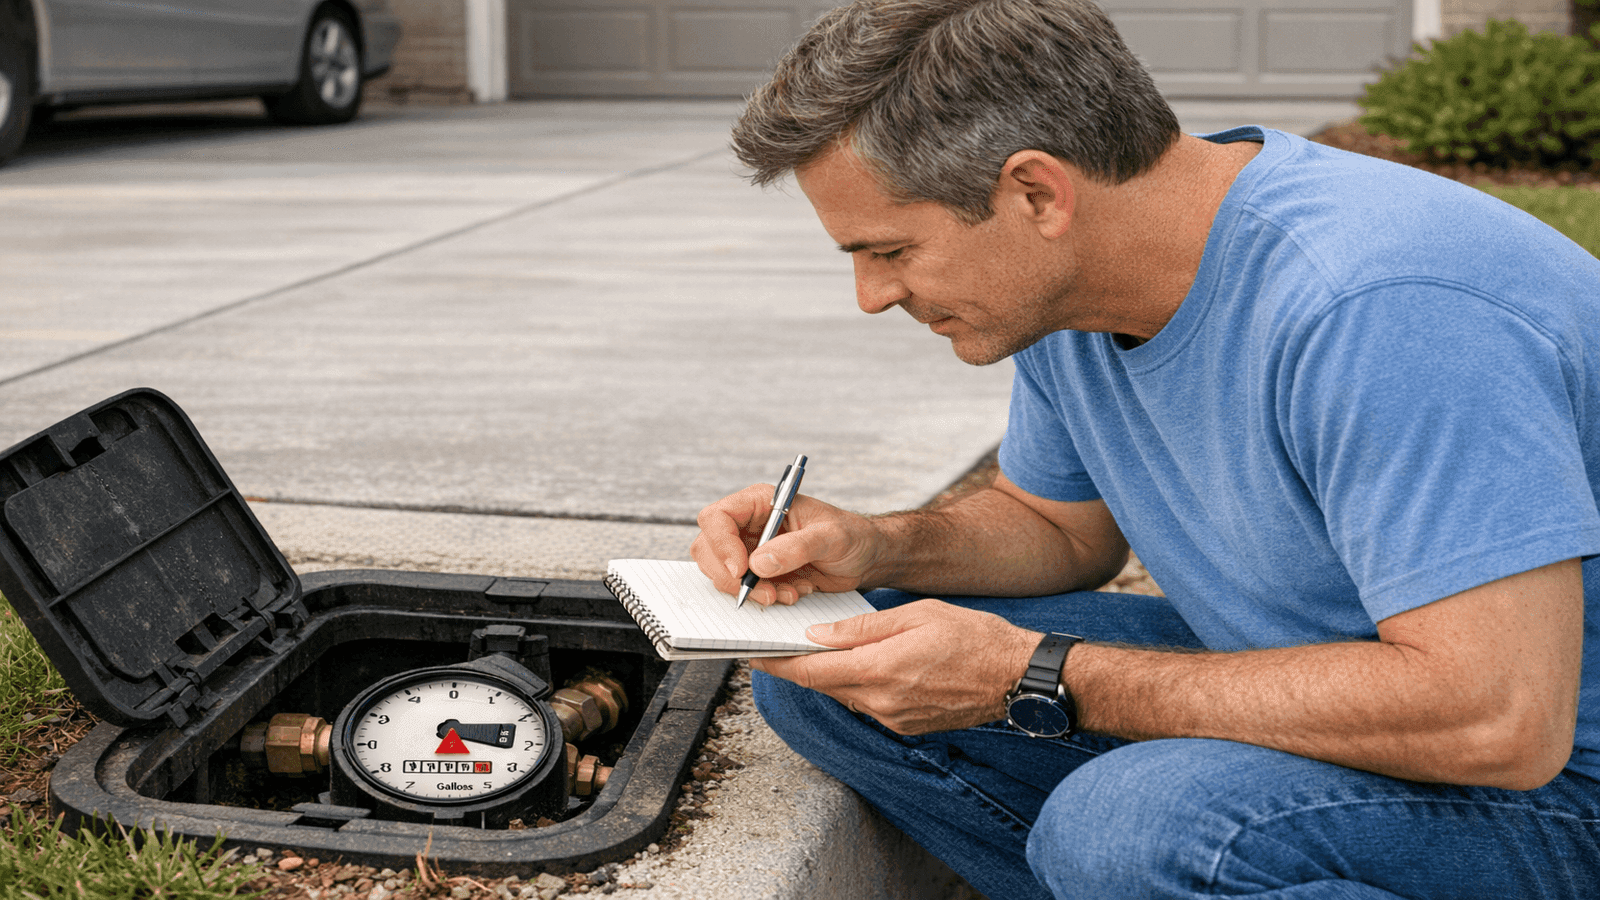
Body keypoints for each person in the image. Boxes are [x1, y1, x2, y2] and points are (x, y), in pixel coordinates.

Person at [690, 0, 1600, 896]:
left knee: (1130, 828)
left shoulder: (1381, 307)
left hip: (1556, 774)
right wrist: (876, 544)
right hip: (1370, 682)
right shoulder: (1075, 288)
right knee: (833, 661)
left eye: (890, 249)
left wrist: (1032, 676)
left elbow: (1498, 721)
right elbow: (1059, 528)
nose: (870, 294)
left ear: (1037, 192)